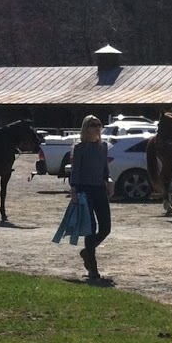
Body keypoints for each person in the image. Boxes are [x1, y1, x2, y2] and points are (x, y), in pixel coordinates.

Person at [69, 114, 114, 283]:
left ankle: (87, 252)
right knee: (91, 227)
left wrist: (109, 181)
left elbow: (105, 169)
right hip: (84, 190)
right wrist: (74, 191)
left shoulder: (103, 147)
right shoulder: (80, 147)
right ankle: (93, 268)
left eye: (98, 125)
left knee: (105, 227)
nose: (97, 128)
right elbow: (76, 171)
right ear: (86, 128)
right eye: (93, 125)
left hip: (100, 189)